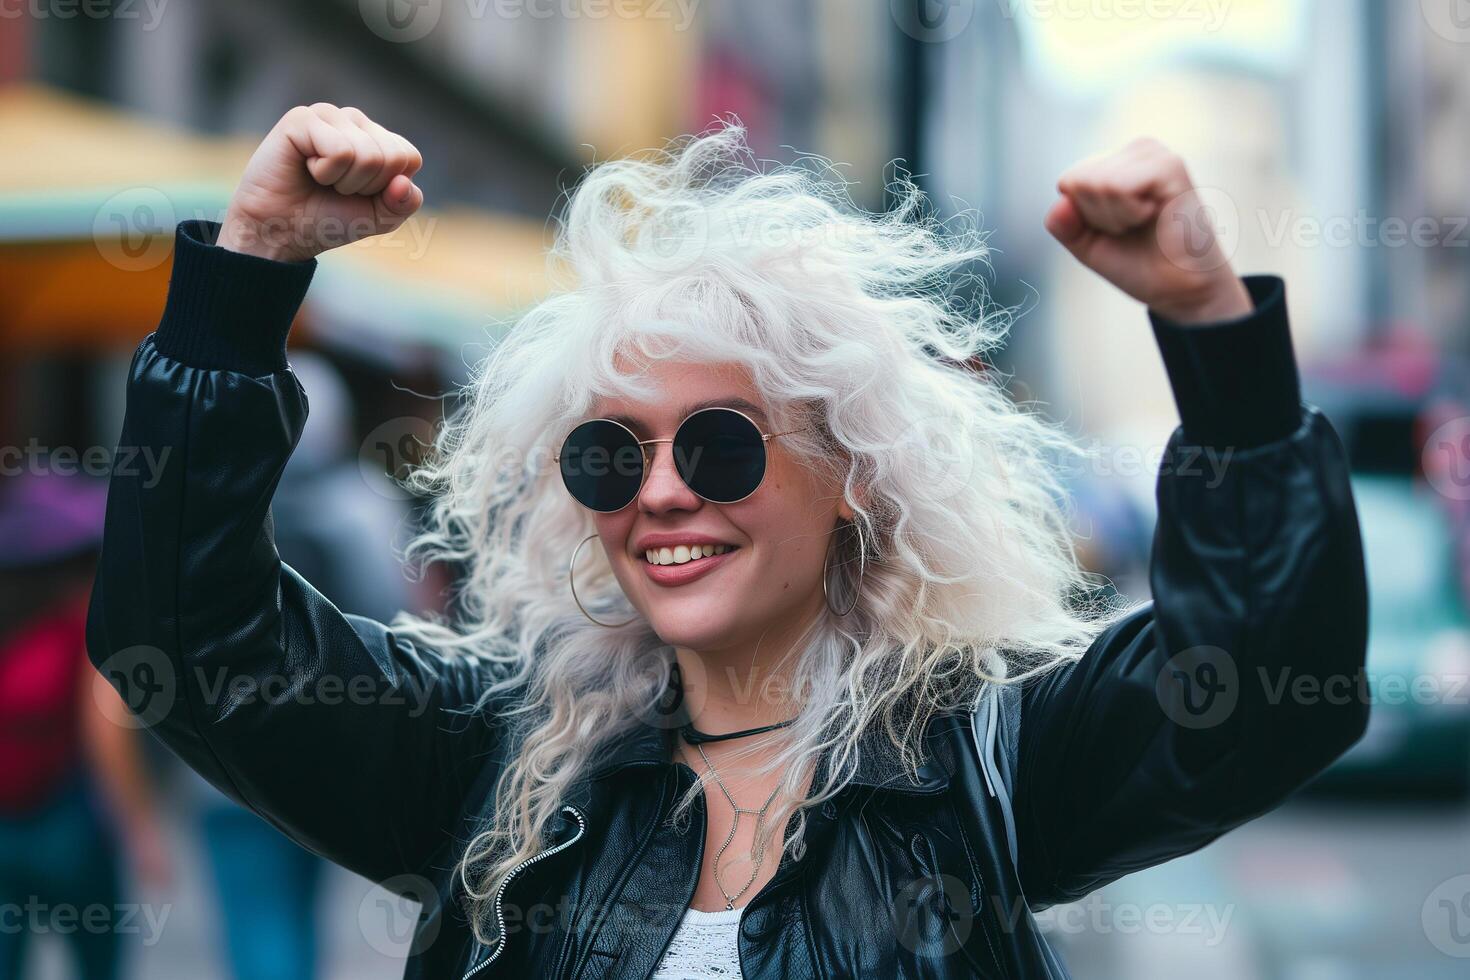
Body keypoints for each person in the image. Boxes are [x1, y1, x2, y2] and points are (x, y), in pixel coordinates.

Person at [86, 104, 1369, 979]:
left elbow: (1259, 678)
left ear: (851, 475)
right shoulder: (497, 757)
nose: (660, 494)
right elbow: (191, 644)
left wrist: (1214, 331)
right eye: (609, 452)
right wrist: (242, 279)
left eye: (720, 445)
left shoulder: (988, 759)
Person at [0, 474, 169, 980]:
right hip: (69, 825)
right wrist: (141, 827)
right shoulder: (84, 626)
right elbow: (106, 733)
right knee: (98, 963)